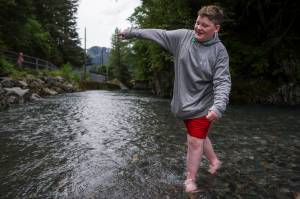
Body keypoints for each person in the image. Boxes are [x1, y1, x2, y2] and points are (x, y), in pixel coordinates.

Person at [119, 5, 231, 193]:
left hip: (204, 105)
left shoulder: (219, 52)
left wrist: (218, 106)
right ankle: (214, 161)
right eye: (197, 23)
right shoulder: (183, 38)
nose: (198, 28)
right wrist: (131, 33)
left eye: (204, 25)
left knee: (194, 141)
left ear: (216, 28)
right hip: (183, 103)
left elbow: (223, 81)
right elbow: (157, 33)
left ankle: (190, 179)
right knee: (199, 136)